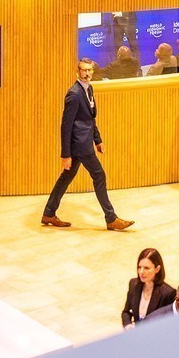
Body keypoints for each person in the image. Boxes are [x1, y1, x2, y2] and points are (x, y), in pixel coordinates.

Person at [40, 59, 131, 231]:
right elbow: (66, 125)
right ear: (78, 72)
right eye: (84, 70)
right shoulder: (74, 94)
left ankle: (49, 213)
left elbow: (89, 119)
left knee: (66, 177)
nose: (87, 73)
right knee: (99, 175)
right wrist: (65, 154)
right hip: (80, 146)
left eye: (89, 70)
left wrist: (98, 140)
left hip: (84, 142)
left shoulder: (88, 89)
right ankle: (111, 218)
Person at [121, 247, 176, 327]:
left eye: (146, 268)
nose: (141, 272)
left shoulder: (168, 293)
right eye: (139, 267)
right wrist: (128, 325)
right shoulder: (133, 284)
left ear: (157, 269)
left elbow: (168, 323)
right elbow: (126, 312)